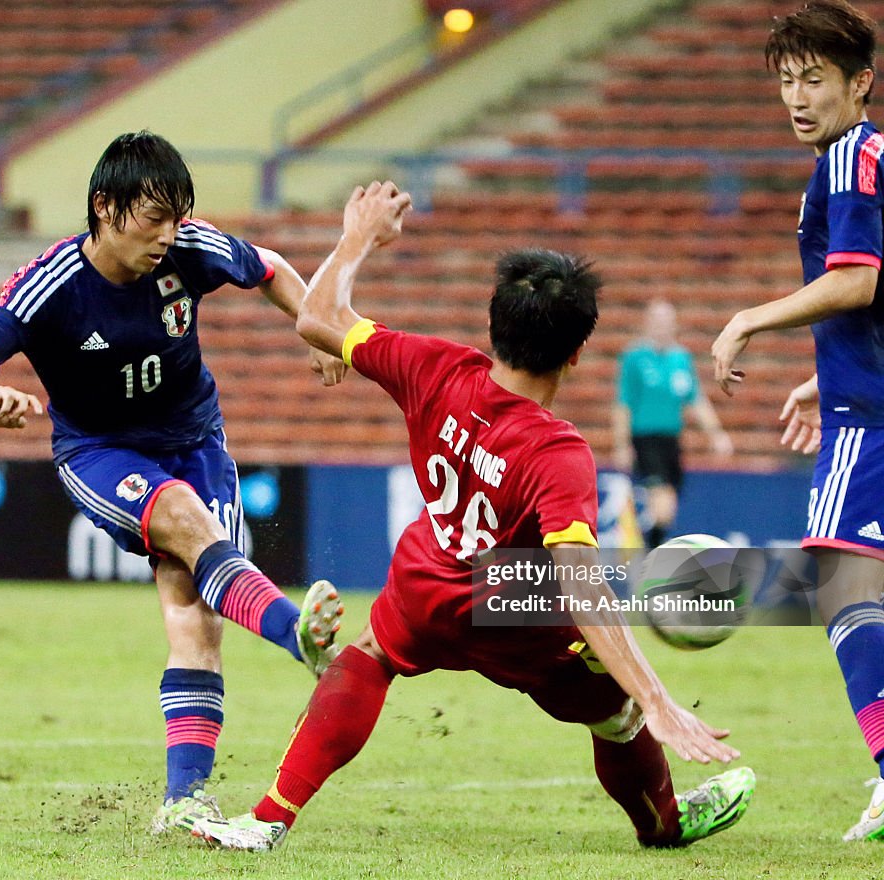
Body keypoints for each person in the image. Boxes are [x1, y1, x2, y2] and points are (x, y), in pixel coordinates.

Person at [194, 181, 756, 852]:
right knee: (619, 716)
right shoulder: (558, 453)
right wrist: (659, 701)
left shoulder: (435, 365)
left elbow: (316, 319)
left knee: (369, 656)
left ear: (493, 327)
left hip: (429, 578)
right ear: (577, 354)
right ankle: (663, 822)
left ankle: (267, 818)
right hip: (514, 605)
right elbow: (579, 584)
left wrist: (358, 238)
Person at [0, 130, 345, 836]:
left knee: (196, 613)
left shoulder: (191, 250)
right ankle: (293, 634)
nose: (168, 233)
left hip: (195, 439)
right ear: (105, 206)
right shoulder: (52, 284)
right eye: (154, 217)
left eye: (177, 216)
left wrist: (315, 326)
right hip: (101, 452)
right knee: (185, 517)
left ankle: (183, 799)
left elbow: (269, 267)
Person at [711, 0, 884, 842]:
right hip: (857, 395)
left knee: (839, 571)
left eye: (814, 79)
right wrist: (826, 374)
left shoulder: (854, 156)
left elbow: (859, 280)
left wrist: (751, 316)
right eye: (786, 81)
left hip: (873, 420)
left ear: (862, 82)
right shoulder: (858, 156)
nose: (797, 97)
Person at [613, 299, 733, 549]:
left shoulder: (681, 358)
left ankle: (649, 549)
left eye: (666, 321)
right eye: (656, 321)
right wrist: (622, 444)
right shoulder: (635, 358)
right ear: (646, 323)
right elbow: (624, 403)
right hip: (646, 440)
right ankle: (653, 557)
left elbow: (695, 399)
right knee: (662, 502)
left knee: (669, 506)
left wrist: (716, 435)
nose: (661, 327)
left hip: (671, 442)